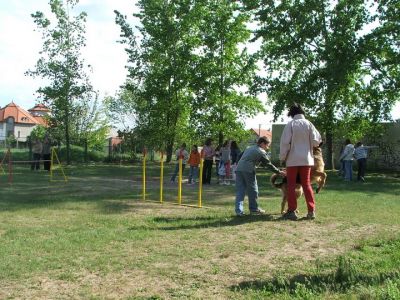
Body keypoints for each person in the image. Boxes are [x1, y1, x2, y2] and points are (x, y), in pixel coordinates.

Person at [279, 103, 322, 220]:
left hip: (292, 160)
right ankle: (311, 211)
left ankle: (292, 211)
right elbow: (316, 141)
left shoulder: (290, 124)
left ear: (292, 114)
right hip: (306, 159)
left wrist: (282, 157)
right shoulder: (309, 124)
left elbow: (284, 143)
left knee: (291, 185)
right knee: (306, 184)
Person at [235, 136, 285, 216]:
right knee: (253, 190)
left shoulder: (249, 148)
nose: (267, 148)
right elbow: (268, 164)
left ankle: (239, 211)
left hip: (238, 169)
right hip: (248, 170)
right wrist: (279, 172)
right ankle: (254, 209)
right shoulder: (260, 151)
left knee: (240, 191)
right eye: (267, 145)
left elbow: (239, 156)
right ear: (262, 143)